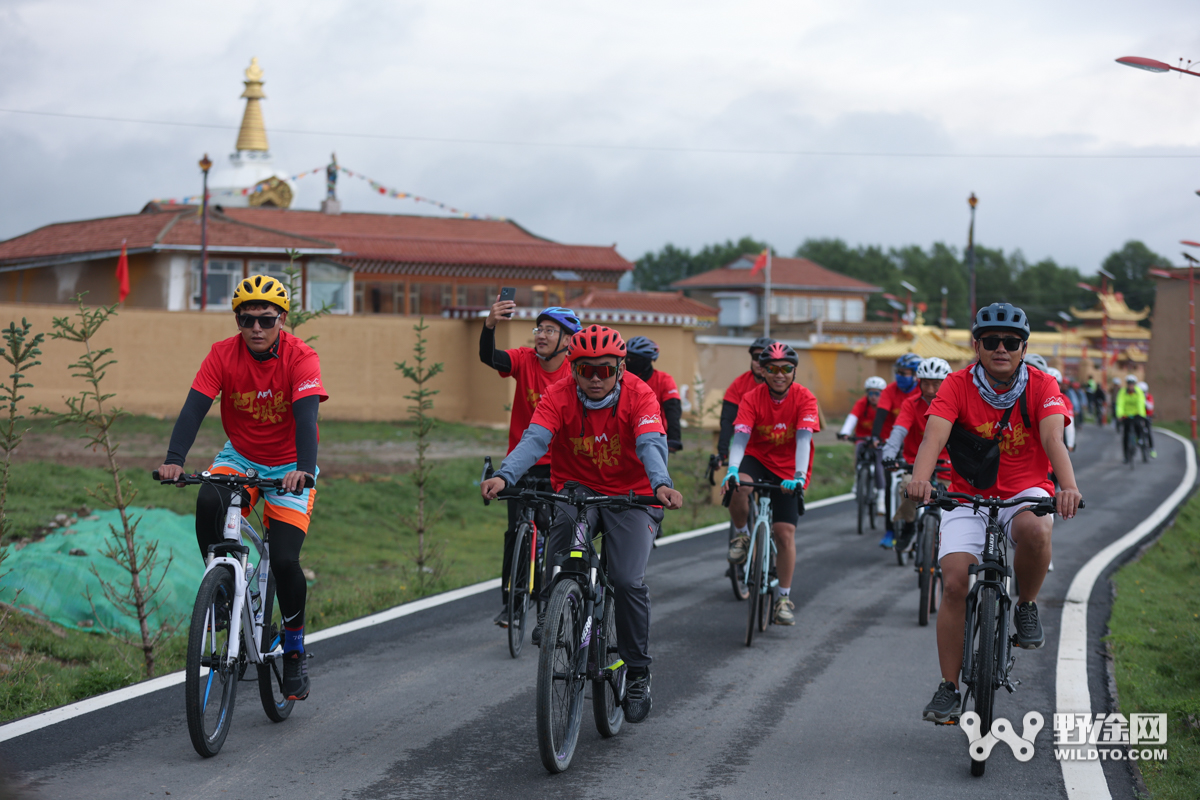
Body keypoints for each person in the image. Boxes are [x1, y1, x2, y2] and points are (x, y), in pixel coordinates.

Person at [480, 325, 683, 724]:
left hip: (634, 494)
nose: (594, 378)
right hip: (577, 490)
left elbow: (649, 444)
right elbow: (535, 439)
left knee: (626, 580)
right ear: (572, 369)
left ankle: (638, 671)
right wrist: (505, 476)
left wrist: (660, 484)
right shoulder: (557, 395)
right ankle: (557, 613)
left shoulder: (640, 395)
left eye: (604, 370)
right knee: (561, 556)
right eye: (585, 369)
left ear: (621, 368)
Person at [907, 302, 1082, 724]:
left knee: (1037, 531)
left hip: (1025, 488)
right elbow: (933, 436)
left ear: (1023, 347)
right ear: (977, 345)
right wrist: (920, 479)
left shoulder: (1043, 384)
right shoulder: (955, 384)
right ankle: (949, 688)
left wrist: (1068, 486)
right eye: (991, 341)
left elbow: (1054, 438)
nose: (1000, 348)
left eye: (1010, 341)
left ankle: (1025, 604)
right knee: (952, 584)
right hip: (968, 493)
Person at [157, 274, 327, 702]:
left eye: (266, 319)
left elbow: (307, 419)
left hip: (290, 463)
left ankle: (292, 649)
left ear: (281, 319)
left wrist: (303, 469)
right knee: (208, 500)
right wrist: (175, 460)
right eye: (246, 318)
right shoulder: (222, 354)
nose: (255, 327)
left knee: (286, 560)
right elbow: (194, 407)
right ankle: (222, 596)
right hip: (241, 455)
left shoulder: (301, 357)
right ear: (237, 320)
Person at [479, 299, 583, 628]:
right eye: (539, 329)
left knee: (557, 533)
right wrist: (490, 324)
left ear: (567, 341)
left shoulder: (575, 374)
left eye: (550, 330)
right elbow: (489, 356)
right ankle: (511, 605)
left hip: (560, 465)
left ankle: (549, 599)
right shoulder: (524, 360)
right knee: (516, 531)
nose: (541, 335)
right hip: (521, 462)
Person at [724, 342, 821, 626]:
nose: (780, 374)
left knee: (784, 534)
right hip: (756, 458)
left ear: (794, 371)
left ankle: (782, 598)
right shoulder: (752, 398)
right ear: (763, 371)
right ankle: (742, 535)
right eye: (772, 369)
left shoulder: (805, 398)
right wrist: (731, 469)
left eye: (786, 369)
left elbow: (804, 440)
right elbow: (740, 438)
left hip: (790, 468)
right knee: (738, 485)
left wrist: (800, 477)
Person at [880, 357, 952, 553]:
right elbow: (899, 430)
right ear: (918, 382)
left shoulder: (957, 405)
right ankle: (909, 525)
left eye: (936, 384)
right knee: (906, 486)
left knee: (958, 505)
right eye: (925, 383)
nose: (930, 390)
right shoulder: (910, 404)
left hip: (950, 469)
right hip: (916, 465)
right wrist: (889, 453)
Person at [872, 352, 922, 548]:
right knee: (890, 481)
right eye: (899, 372)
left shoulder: (923, 390)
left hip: (917, 441)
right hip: (892, 440)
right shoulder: (890, 391)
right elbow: (881, 415)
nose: (901, 376)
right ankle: (890, 530)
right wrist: (876, 437)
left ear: (917, 375)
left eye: (906, 373)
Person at [717, 337, 775, 464]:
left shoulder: (782, 387)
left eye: (765, 357)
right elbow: (727, 420)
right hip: (747, 447)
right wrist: (722, 453)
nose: (760, 362)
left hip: (776, 447)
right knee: (739, 482)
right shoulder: (739, 384)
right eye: (756, 357)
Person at [626, 336, 683, 453]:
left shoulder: (664, 380)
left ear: (647, 361)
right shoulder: (620, 378)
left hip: (653, 437)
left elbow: (673, 409)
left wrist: (674, 438)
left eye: (634, 359)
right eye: (628, 358)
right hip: (623, 438)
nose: (629, 362)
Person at [839, 376, 887, 502]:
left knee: (879, 465)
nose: (873, 396)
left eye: (877, 393)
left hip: (880, 440)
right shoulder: (861, 404)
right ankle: (857, 480)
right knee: (858, 453)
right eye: (871, 393)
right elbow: (852, 418)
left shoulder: (885, 406)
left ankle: (881, 497)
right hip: (862, 438)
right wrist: (845, 432)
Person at [1115, 374, 1152, 458]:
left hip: (1136, 414)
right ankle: (1126, 456)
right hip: (1126, 415)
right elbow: (1120, 404)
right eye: (1129, 383)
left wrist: (1141, 415)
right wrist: (1119, 415)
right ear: (1127, 384)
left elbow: (1140, 403)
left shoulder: (1138, 391)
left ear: (1134, 384)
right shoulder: (1122, 392)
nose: (1131, 385)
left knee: (1138, 426)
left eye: (1132, 384)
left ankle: (1139, 439)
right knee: (1125, 434)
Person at [1140, 381, 1157, 458]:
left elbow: (1150, 407)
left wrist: (1143, 400)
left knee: (1149, 432)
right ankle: (1139, 439)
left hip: (1147, 416)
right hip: (1139, 416)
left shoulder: (1149, 396)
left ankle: (1152, 449)